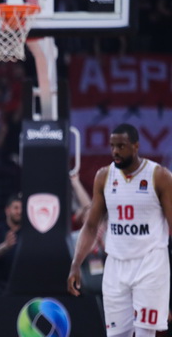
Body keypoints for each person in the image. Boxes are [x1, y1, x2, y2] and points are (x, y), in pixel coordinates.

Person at [68, 124, 172, 337]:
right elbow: (91, 226)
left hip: (150, 263)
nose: (115, 151)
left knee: (145, 332)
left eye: (121, 146)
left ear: (136, 146)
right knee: (116, 334)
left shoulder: (159, 176)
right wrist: (76, 263)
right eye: (112, 146)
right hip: (116, 264)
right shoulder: (104, 176)